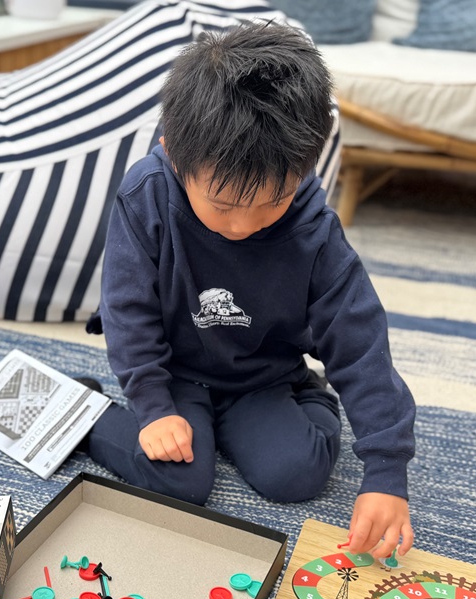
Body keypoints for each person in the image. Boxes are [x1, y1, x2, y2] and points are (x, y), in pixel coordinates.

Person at [83, 20, 416, 559]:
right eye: (222, 206)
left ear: (305, 167)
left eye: (273, 202)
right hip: (176, 372)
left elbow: (360, 342)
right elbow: (127, 310)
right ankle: (85, 414)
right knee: (181, 483)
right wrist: (152, 405)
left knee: (297, 474)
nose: (243, 226)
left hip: (262, 377)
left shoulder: (314, 230)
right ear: (174, 157)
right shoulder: (146, 194)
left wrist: (386, 471)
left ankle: (299, 396)